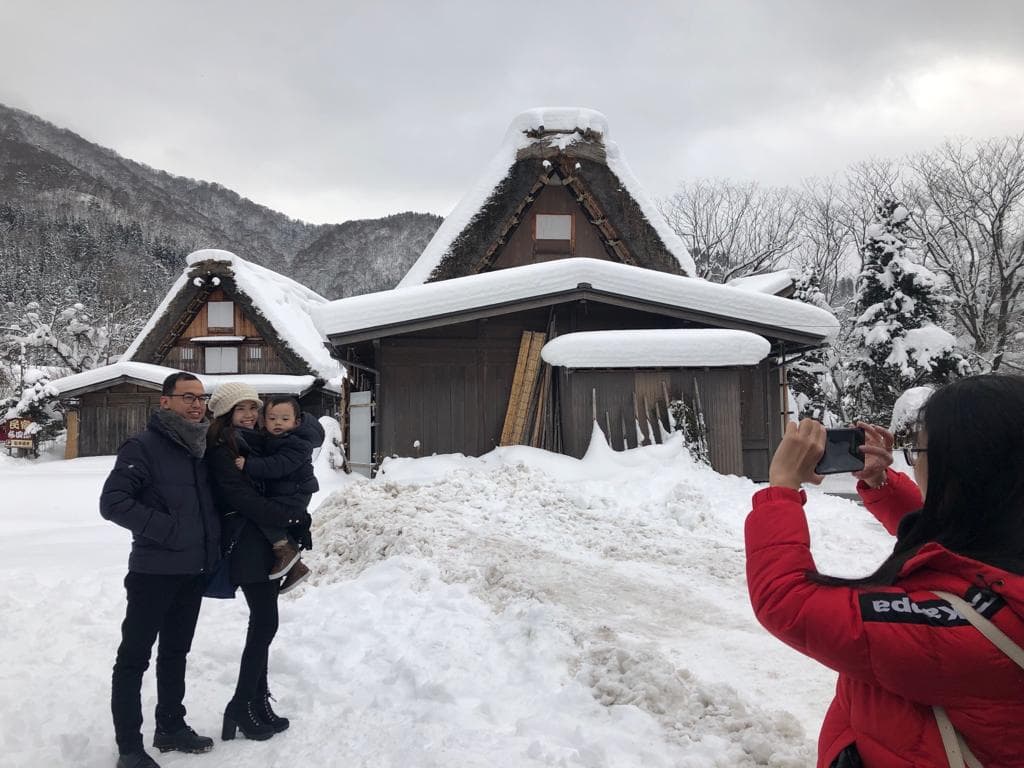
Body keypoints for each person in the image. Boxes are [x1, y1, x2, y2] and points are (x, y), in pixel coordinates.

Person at [745, 374, 1024, 767]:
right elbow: (950, 544)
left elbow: (787, 602)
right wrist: (880, 484)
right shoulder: (1004, 547)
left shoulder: (963, 633)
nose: (915, 462)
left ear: (965, 469)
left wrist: (782, 490)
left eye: (920, 450)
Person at [99, 372, 220, 768]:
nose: (196, 404)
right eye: (187, 397)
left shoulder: (199, 447)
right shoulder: (143, 447)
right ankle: (130, 747)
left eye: (201, 398)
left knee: (175, 652)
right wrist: (167, 530)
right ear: (164, 401)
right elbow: (113, 502)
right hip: (153, 572)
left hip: (191, 569)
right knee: (134, 657)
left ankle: (170, 726)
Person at [204, 382, 312, 741]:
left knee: (265, 623)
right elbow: (243, 498)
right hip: (247, 544)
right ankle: (241, 703)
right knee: (264, 623)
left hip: (262, 543)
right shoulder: (222, 449)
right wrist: (290, 517)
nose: (250, 415)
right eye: (241, 409)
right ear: (226, 414)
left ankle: (256, 701)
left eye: (254, 407)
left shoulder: (254, 443)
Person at [234, 395, 324, 592]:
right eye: (272, 418)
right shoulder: (273, 439)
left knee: (265, 515)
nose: (278, 423)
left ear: (296, 422)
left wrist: (249, 465)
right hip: (286, 491)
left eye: (284, 419)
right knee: (266, 513)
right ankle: (295, 567)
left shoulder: (297, 443)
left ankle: (285, 550)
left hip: (296, 493)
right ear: (264, 420)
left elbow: (278, 466)